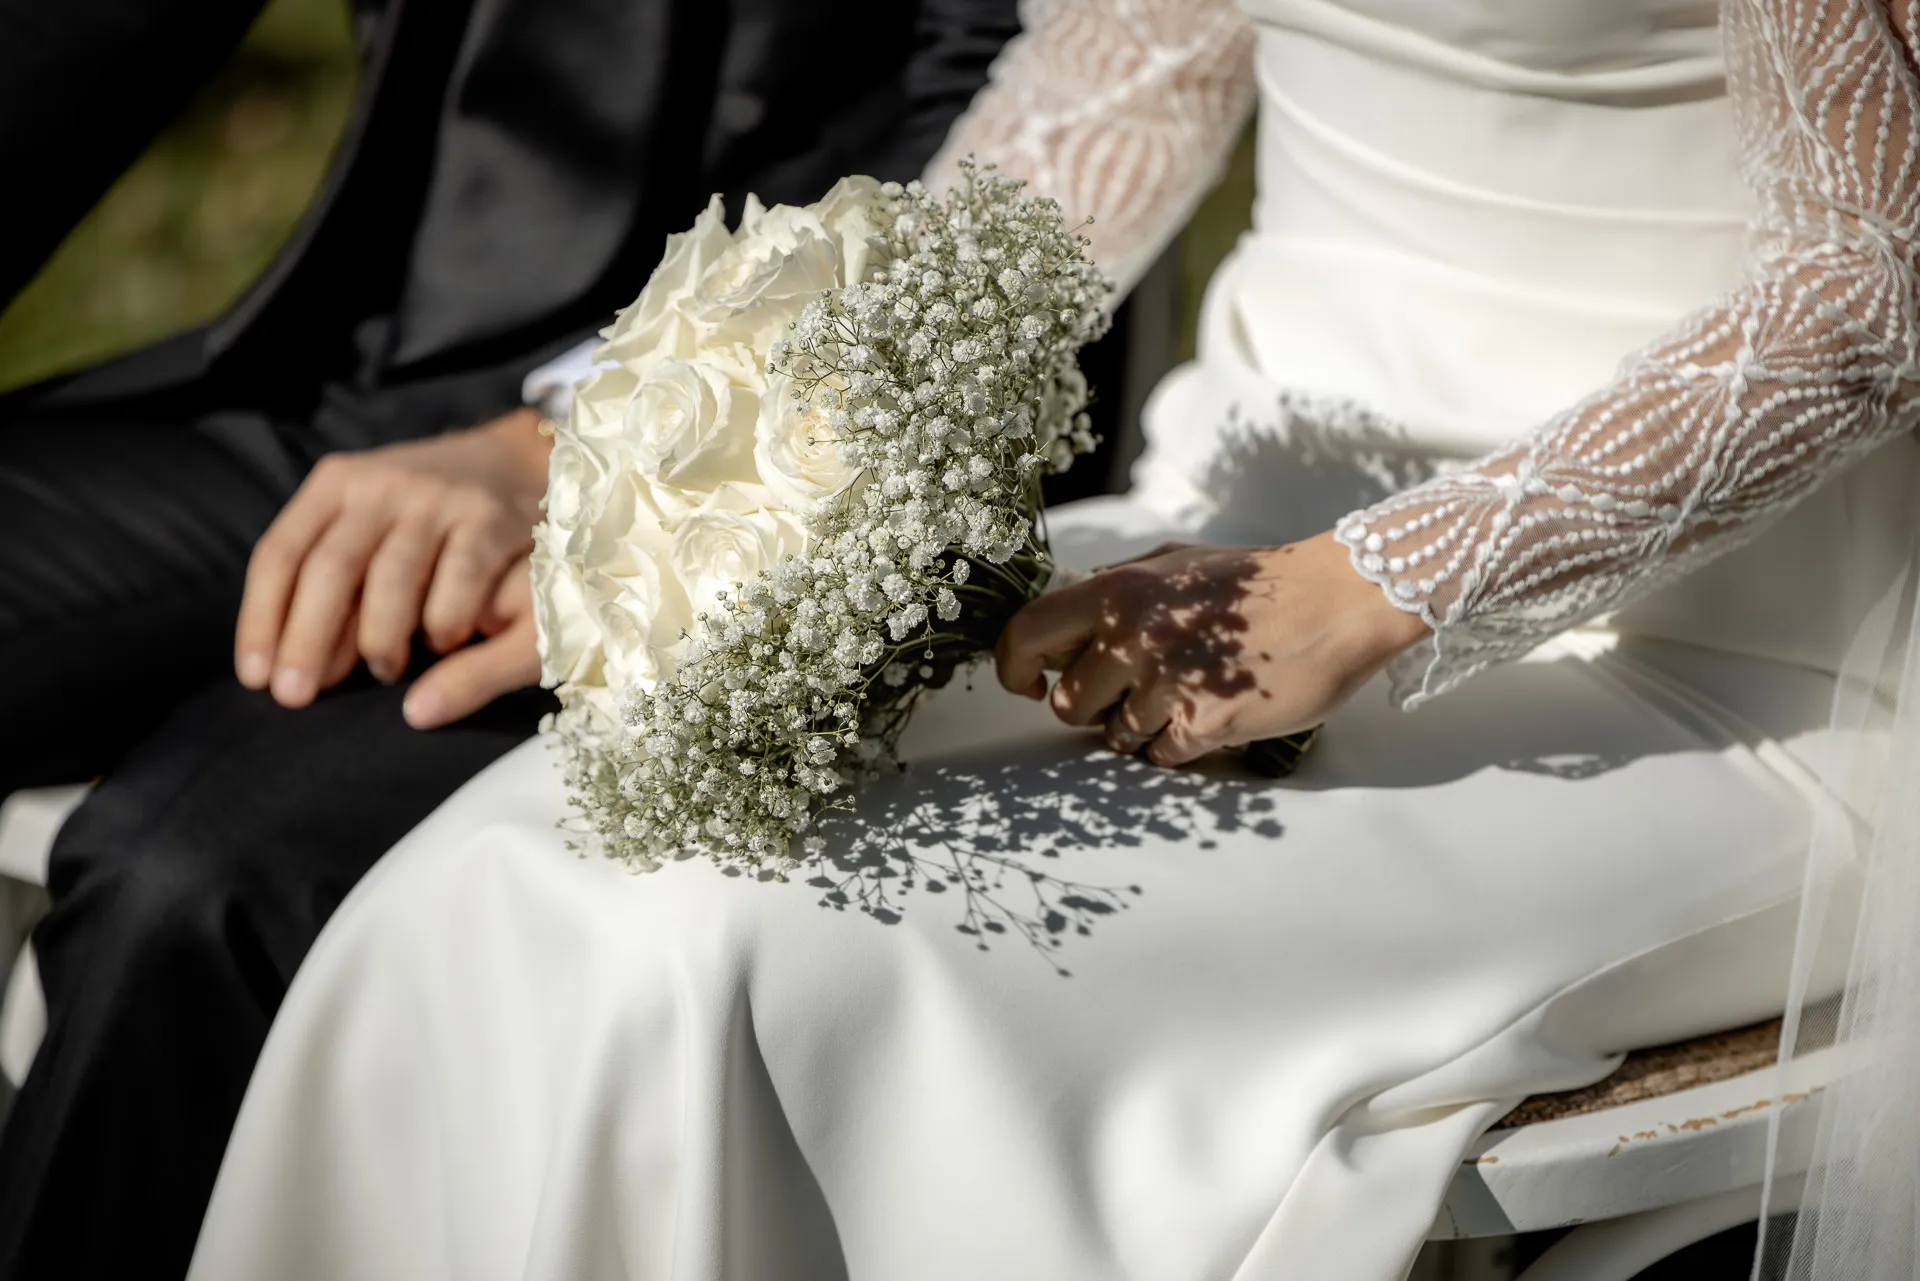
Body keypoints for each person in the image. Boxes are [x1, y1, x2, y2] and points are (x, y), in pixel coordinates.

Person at [184, 0, 1919, 1277]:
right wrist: (693, 475)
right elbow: (1101, 110)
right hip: (1204, 538)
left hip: (1703, 660)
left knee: (717, 966)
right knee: (518, 883)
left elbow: (1868, 287)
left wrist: (1363, 589)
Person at [0, 2, 1021, 1277]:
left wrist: (593, 445)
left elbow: (1005, 147)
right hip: (342, 370)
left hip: (750, 471)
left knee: (191, 877)